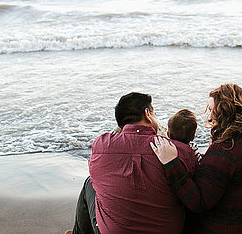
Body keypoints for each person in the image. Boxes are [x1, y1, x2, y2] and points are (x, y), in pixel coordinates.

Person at [151, 84, 242, 233]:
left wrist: (171, 163)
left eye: (212, 110)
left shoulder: (225, 148)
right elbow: (226, 167)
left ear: (225, 111)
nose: (208, 116)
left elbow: (198, 203)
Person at [68, 92, 198, 234]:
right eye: (154, 113)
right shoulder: (180, 151)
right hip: (168, 229)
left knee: (90, 183)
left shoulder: (101, 145)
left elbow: (97, 177)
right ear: (147, 114)